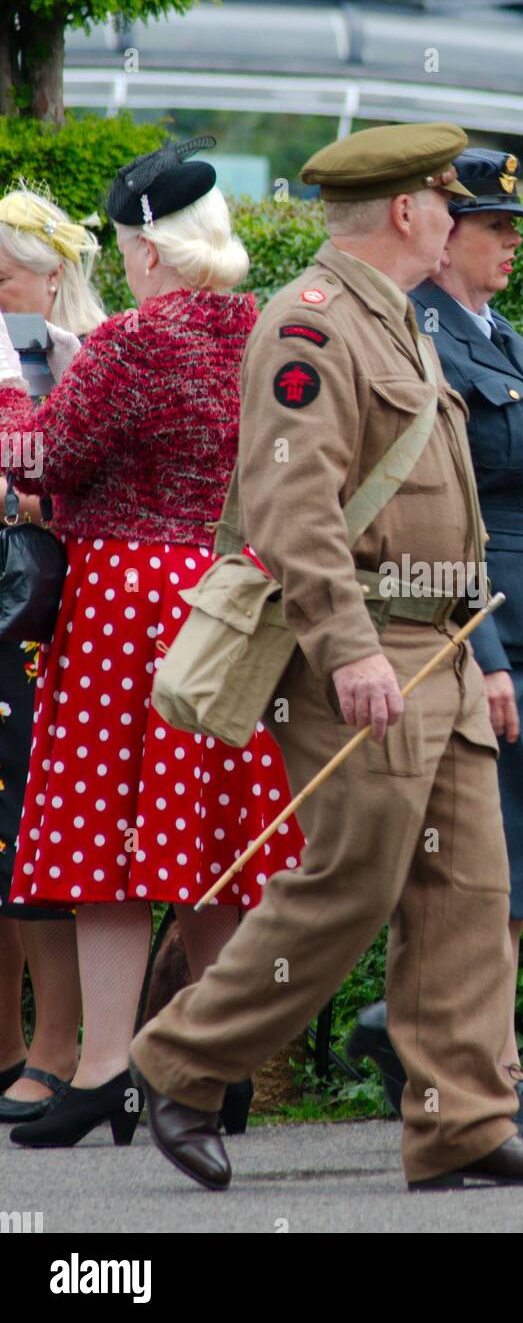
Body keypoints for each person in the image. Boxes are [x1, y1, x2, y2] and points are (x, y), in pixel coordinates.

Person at [128, 122, 523, 1192]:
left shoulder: (397, 318)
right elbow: (294, 509)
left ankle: (460, 1121)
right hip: (368, 649)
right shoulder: (312, 323)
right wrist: (345, 650)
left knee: (465, 891)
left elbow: (449, 503)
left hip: (440, 650)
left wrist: (478, 649)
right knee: (351, 881)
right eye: (446, 201)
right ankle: (182, 1061)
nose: (457, 218)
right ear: (406, 210)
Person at [0, 139, 303, 1150]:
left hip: (124, 604)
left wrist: (18, 392)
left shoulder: (133, 342)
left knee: (105, 846)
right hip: (222, 596)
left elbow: (44, 460)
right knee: (206, 842)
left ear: (148, 249)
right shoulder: (258, 330)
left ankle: (103, 1069)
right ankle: (215, 1065)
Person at [350, 148, 523, 1145]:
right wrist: (483, 650)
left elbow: (511, 470)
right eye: (496, 226)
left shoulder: (494, 332)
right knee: (499, 868)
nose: (511, 244)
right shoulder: (426, 340)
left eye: (513, 228)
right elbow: (443, 517)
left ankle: (420, 1031)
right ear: (444, 235)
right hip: (479, 622)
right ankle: (486, 1071)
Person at [0, 185, 105, 1126]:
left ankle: (63, 1045)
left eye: (2, 278)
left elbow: (82, 490)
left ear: (51, 277)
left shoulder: (84, 358)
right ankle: (11, 1044)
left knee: (37, 829)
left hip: (47, 614)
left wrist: (21, 495)